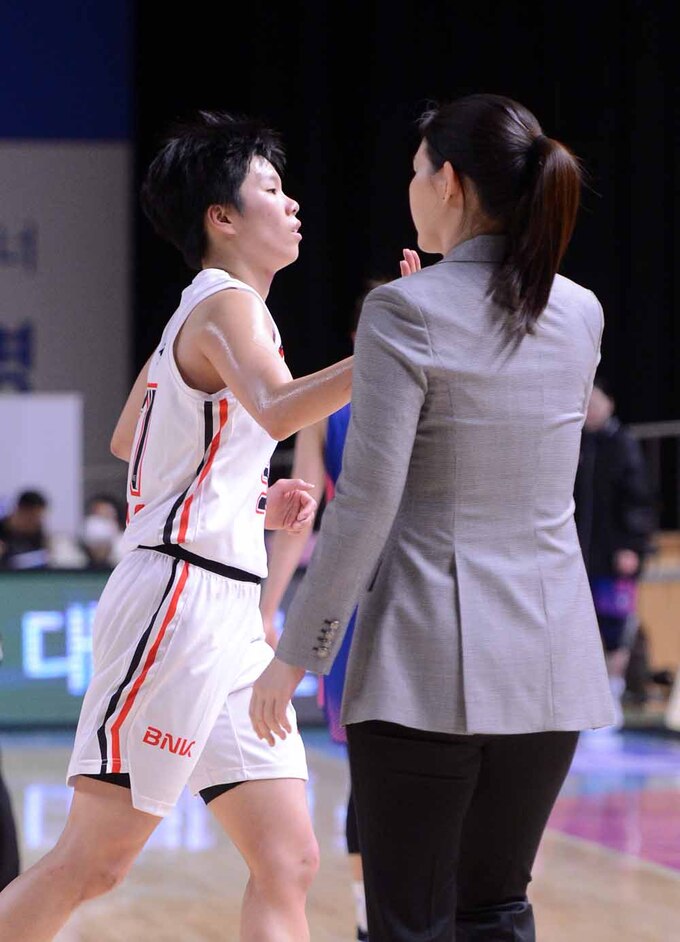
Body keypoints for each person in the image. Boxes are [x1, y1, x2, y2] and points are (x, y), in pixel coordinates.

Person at [250, 93, 616, 941]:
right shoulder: (582, 310)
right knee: (497, 908)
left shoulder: (402, 310)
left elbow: (366, 503)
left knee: (409, 923)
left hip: (423, 668)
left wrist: (294, 656)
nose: (411, 186)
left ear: (448, 182)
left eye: (417, 171)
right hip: (551, 663)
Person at [0, 110, 354, 942]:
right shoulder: (226, 304)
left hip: (229, 612)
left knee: (288, 859)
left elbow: (134, 439)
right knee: (94, 862)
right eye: (273, 188)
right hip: (177, 605)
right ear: (221, 217)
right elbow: (276, 408)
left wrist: (245, 501)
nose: (293, 203)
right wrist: (390, 348)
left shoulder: (210, 313)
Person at [259, 277, 387, 942]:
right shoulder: (330, 404)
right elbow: (300, 515)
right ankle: (374, 921)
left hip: (391, 594)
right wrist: (268, 606)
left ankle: (388, 918)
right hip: (369, 598)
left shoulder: (428, 390)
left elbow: (301, 518)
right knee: (376, 771)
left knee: (390, 771)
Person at [574, 374, 656, 727]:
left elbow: (640, 500)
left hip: (614, 558)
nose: (590, 410)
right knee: (581, 628)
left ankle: (612, 698)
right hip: (579, 556)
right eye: (585, 404)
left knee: (614, 628)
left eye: (595, 403)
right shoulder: (575, 443)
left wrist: (631, 546)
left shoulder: (623, 444)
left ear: (610, 404)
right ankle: (583, 705)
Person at [0, 490, 50, 570]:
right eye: (32, 517)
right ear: (19, 510)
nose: (35, 521)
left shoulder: (37, 531)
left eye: (39, 517)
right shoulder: (2, 529)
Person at [79, 493, 126, 570]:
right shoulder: (75, 555)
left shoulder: (126, 548)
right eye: (97, 515)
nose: (99, 524)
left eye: (106, 516)